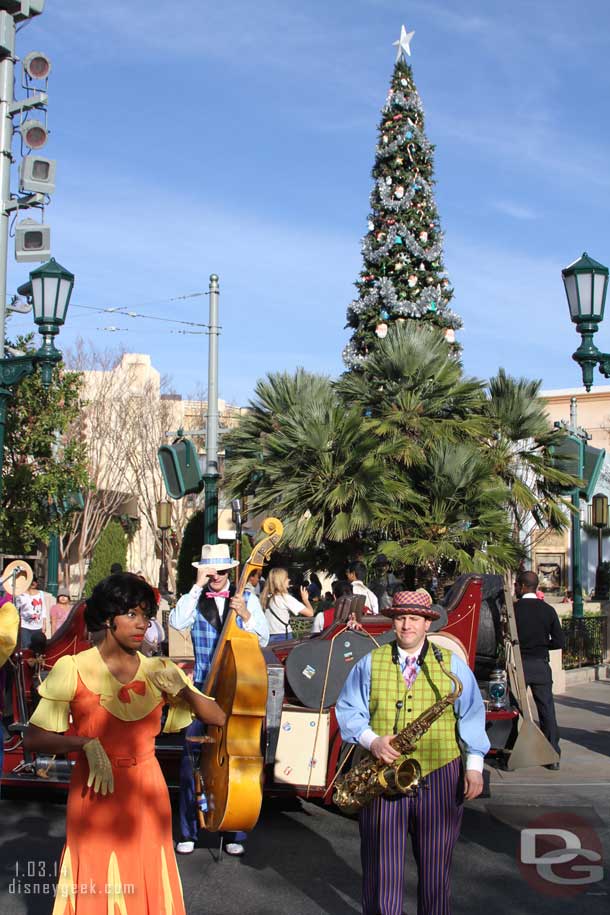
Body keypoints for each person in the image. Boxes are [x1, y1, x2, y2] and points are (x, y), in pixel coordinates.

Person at [24, 571, 225, 915]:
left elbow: (217, 717)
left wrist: (183, 692)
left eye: (146, 616)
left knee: (147, 872)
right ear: (107, 618)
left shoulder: (158, 668)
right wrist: (83, 743)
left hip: (147, 790)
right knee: (95, 873)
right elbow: (33, 738)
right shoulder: (72, 667)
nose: (142, 624)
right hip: (93, 789)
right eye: (131, 614)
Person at [336, 589, 489, 915]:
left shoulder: (451, 666)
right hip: (382, 771)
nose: (407, 625)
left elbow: (472, 714)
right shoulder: (369, 662)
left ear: (426, 624)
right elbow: (349, 709)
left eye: (414, 619)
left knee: (437, 866)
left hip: (441, 772)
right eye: (402, 618)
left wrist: (474, 766)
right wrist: (372, 740)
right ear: (393, 622)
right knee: (381, 866)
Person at [169, 543, 269, 857]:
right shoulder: (196, 598)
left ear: (231, 571)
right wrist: (196, 586)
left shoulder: (247, 598)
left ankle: (235, 827)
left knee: (239, 759)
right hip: (201, 689)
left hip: (235, 691)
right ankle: (189, 830)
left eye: (222, 571)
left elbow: (263, 637)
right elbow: (176, 622)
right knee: (191, 761)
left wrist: (246, 615)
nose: (217, 576)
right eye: (211, 571)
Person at [514, 570, 564, 769]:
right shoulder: (548, 610)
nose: (516, 588)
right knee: (546, 710)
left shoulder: (514, 610)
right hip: (541, 665)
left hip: (519, 665)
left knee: (514, 709)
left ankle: (513, 752)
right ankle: (552, 756)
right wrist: (543, 646)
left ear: (524, 586)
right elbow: (559, 641)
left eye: (517, 585)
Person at [260, 568, 314, 641]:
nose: (289, 580)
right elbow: (310, 613)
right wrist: (305, 600)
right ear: (281, 581)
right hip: (282, 635)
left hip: (267, 635)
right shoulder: (285, 598)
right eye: (286, 578)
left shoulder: (265, 597)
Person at [15, 576, 52, 647]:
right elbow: (17, 608)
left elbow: (43, 609)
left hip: (38, 626)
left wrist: (44, 624)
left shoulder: (40, 593)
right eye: (31, 581)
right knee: (26, 647)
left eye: (34, 581)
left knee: (37, 646)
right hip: (25, 626)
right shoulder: (21, 595)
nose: (33, 583)